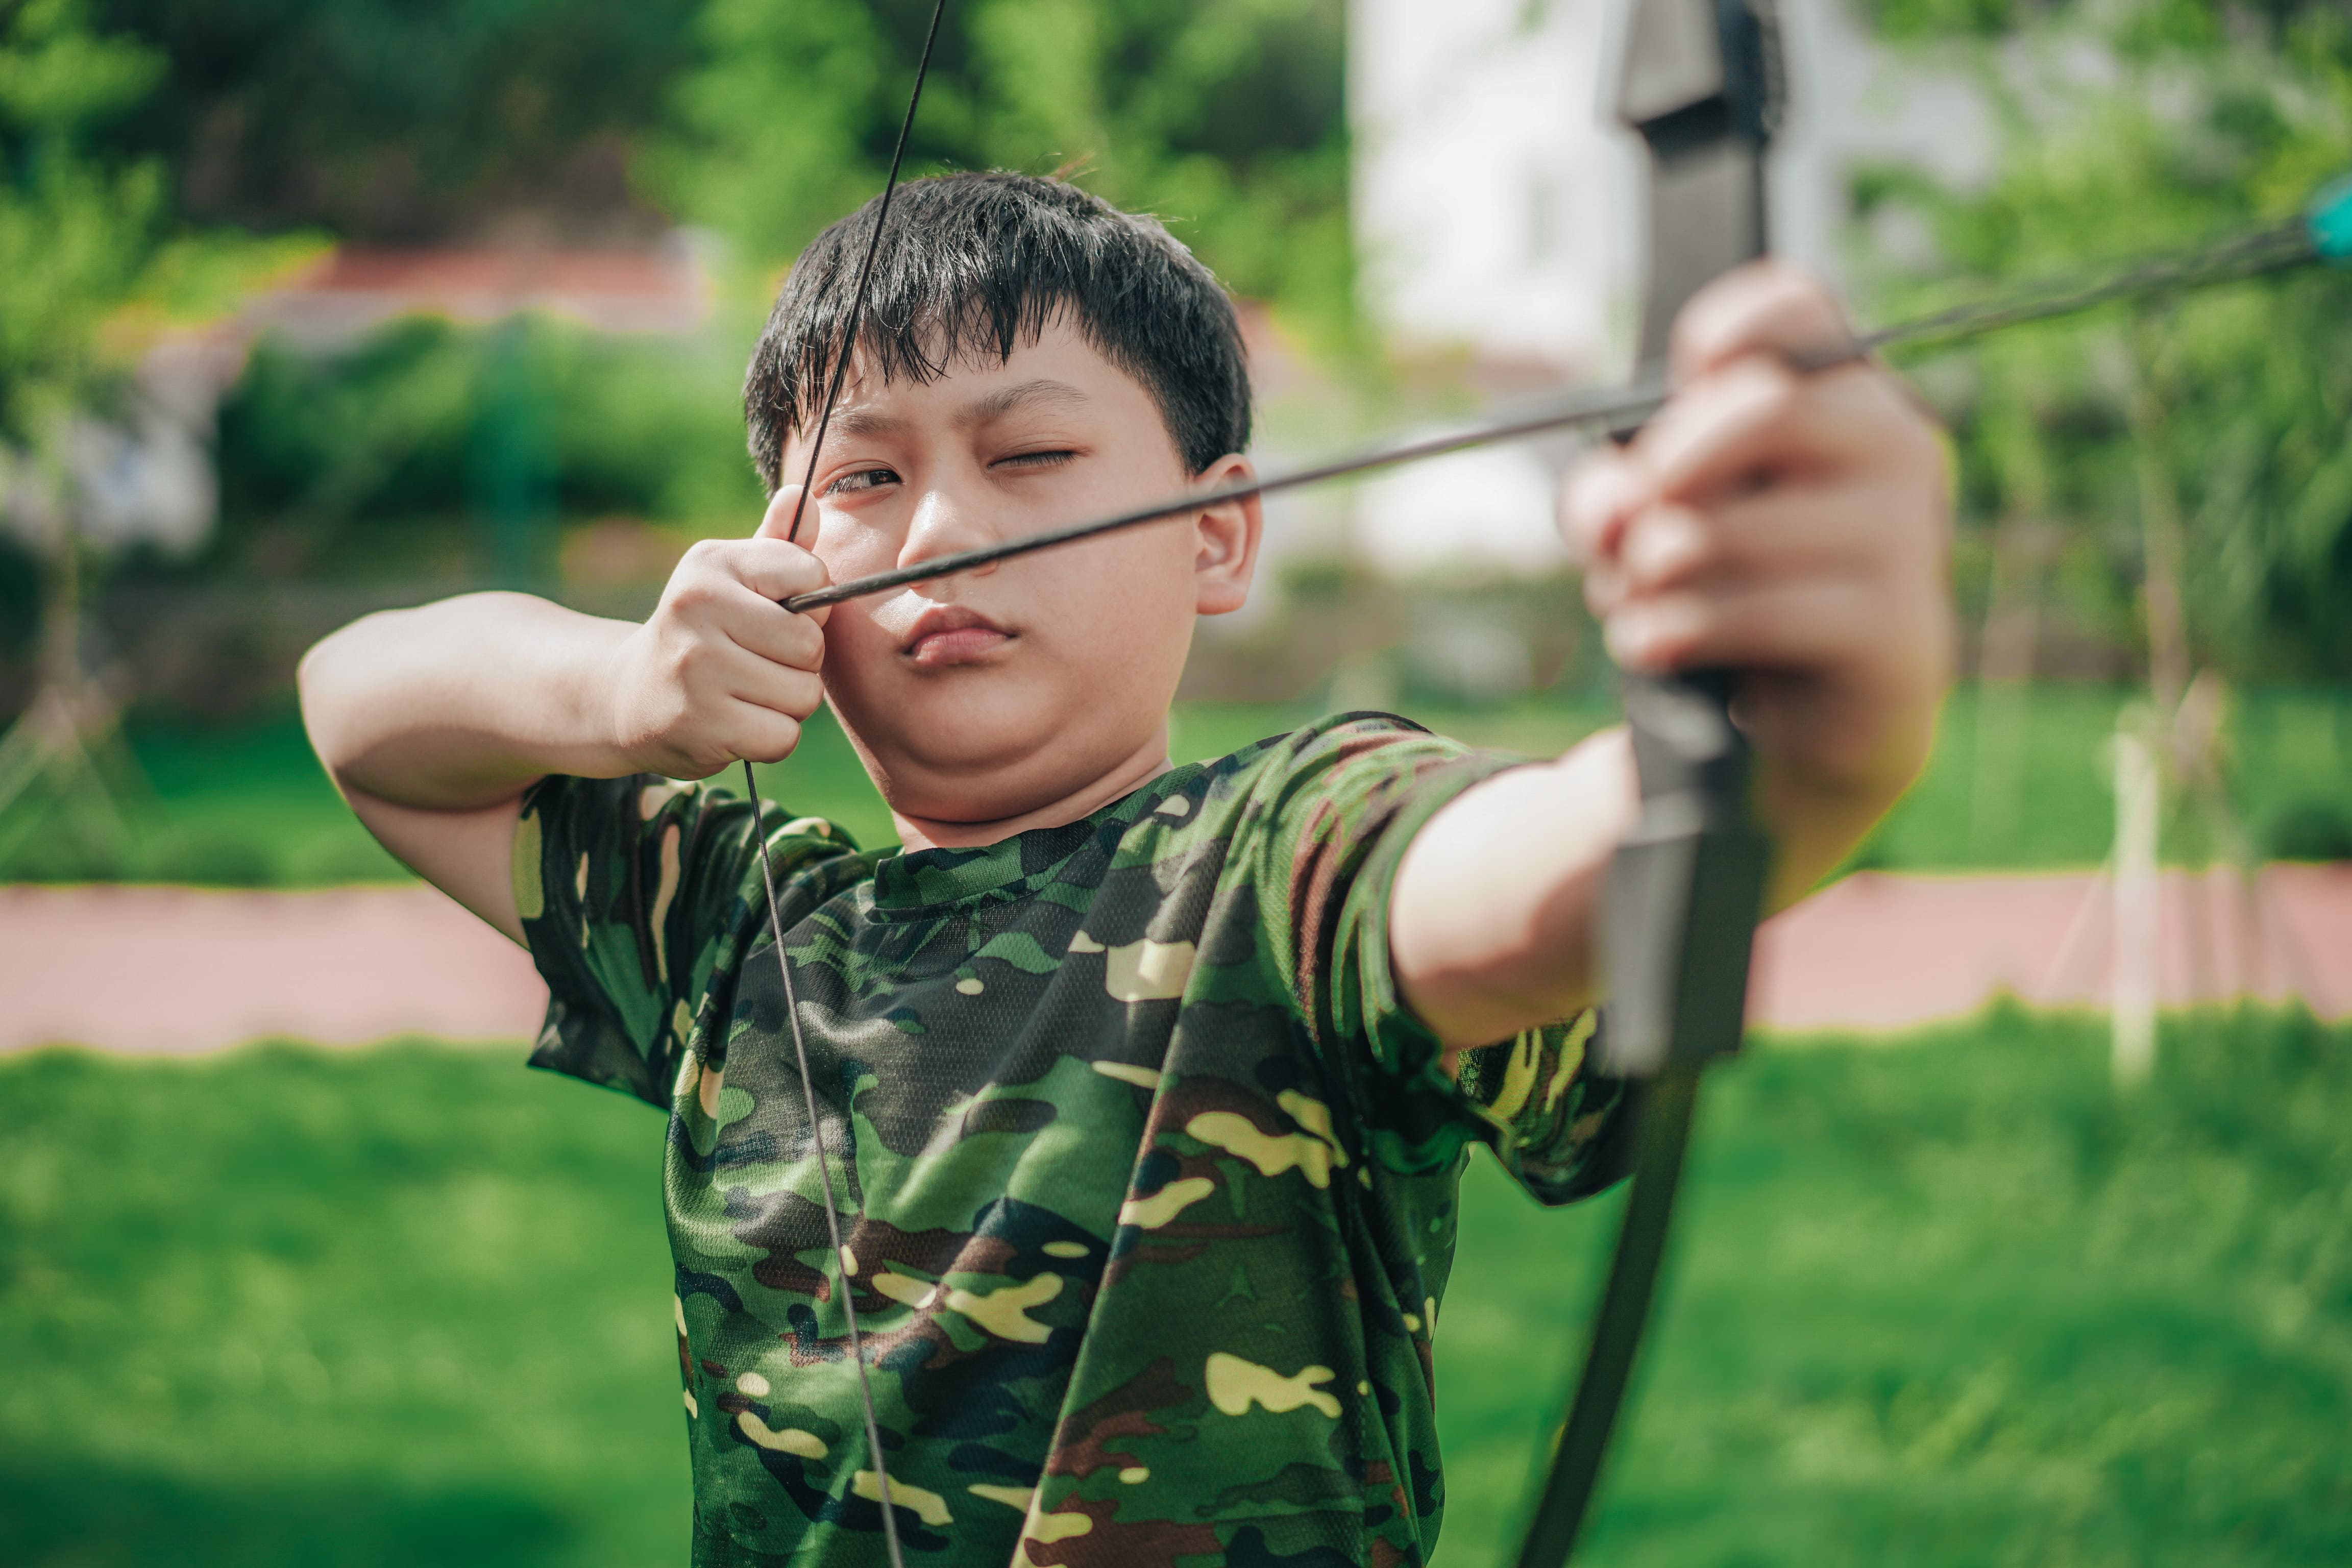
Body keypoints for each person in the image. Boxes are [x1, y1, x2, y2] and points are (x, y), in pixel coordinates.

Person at [299, 172, 1950, 1567]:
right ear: (778, 564)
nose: (940, 533)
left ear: (1218, 534)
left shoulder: (1283, 864)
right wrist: (614, 691)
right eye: (865, 478)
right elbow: (358, 710)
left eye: (1028, 458)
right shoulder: (737, 925)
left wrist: (1815, 735)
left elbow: (1564, 869)